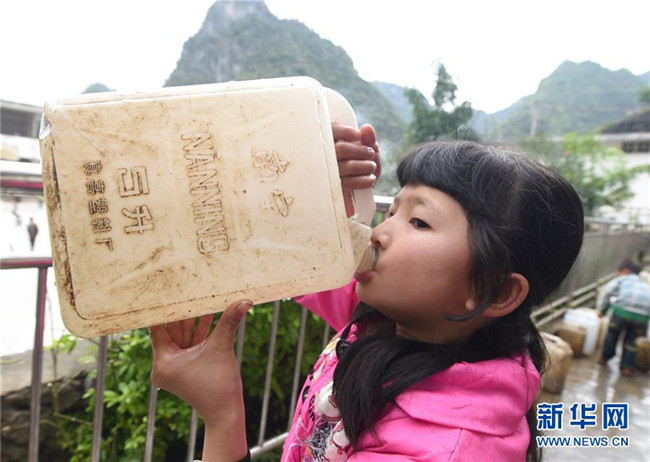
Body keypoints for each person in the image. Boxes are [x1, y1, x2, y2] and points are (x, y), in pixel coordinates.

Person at [149, 125, 585, 461]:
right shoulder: (394, 319)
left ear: (496, 290)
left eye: (419, 222)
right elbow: (301, 253)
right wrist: (305, 181)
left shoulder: (438, 449)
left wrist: (223, 414)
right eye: (391, 211)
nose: (378, 233)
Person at [598, 258, 650, 376]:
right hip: (641, 318)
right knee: (632, 342)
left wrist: (602, 311)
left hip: (621, 313)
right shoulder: (645, 285)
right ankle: (627, 367)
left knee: (612, 336)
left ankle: (604, 358)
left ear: (625, 271)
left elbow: (608, 293)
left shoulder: (622, 280)